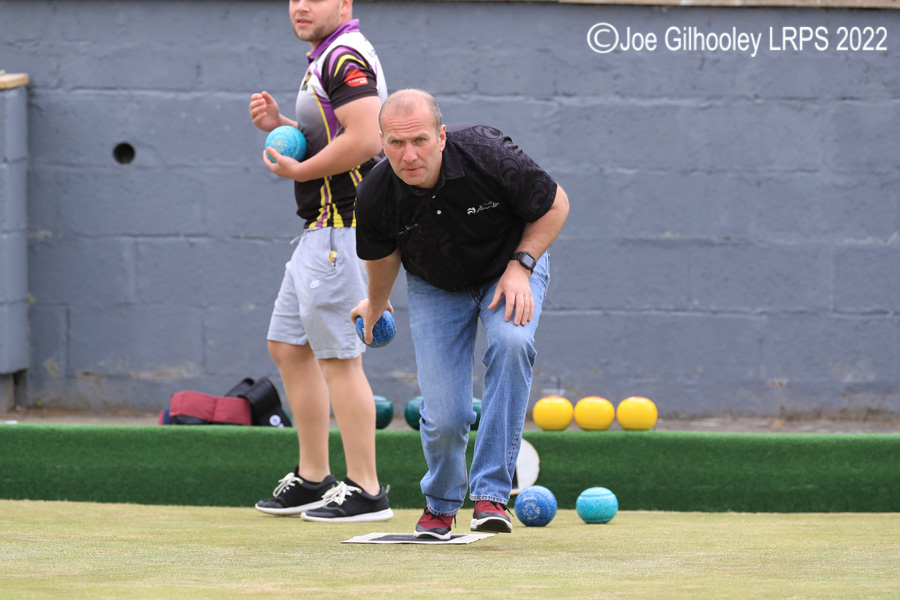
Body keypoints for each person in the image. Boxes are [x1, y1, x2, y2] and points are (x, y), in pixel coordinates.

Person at [352, 89, 569, 538]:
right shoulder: (374, 194)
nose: (409, 155)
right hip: (436, 286)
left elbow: (555, 204)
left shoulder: (486, 153)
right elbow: (384, 256)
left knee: (512, 343)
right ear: (382, 142)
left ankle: (491, 494)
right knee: (446, 414)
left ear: (442, 136)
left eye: (420, 141)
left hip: (510, 268)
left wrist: (521, 266)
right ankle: (442, 504)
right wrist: (375, 303)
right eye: (395, 143)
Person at [248, 0, 391, 522]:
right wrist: (282, 123)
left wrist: (299, 171)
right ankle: (314, 478)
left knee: (337, 358)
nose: (301, 5)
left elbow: (366, 139)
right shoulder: (326, 56)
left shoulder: (343, 56)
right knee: (287, 346)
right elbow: (335, 132)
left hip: (341, 228)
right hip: (320, 230)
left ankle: (367, 489)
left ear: (345, 3)